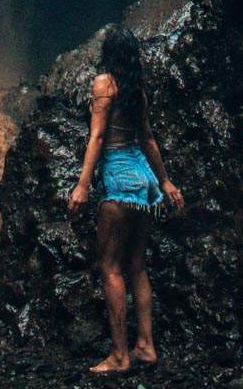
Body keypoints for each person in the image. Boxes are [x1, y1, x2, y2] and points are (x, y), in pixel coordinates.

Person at [68, 24, 185, 375]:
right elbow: (147, 139)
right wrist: (165, 181)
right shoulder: (138, 92)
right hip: (144, 184)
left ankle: (119, 356)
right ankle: (146, 346)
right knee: (137, 266)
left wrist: (83, 184)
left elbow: (99, 135)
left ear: (108, 53)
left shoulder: (105, 84)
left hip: (119, 182)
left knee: (110, 267)